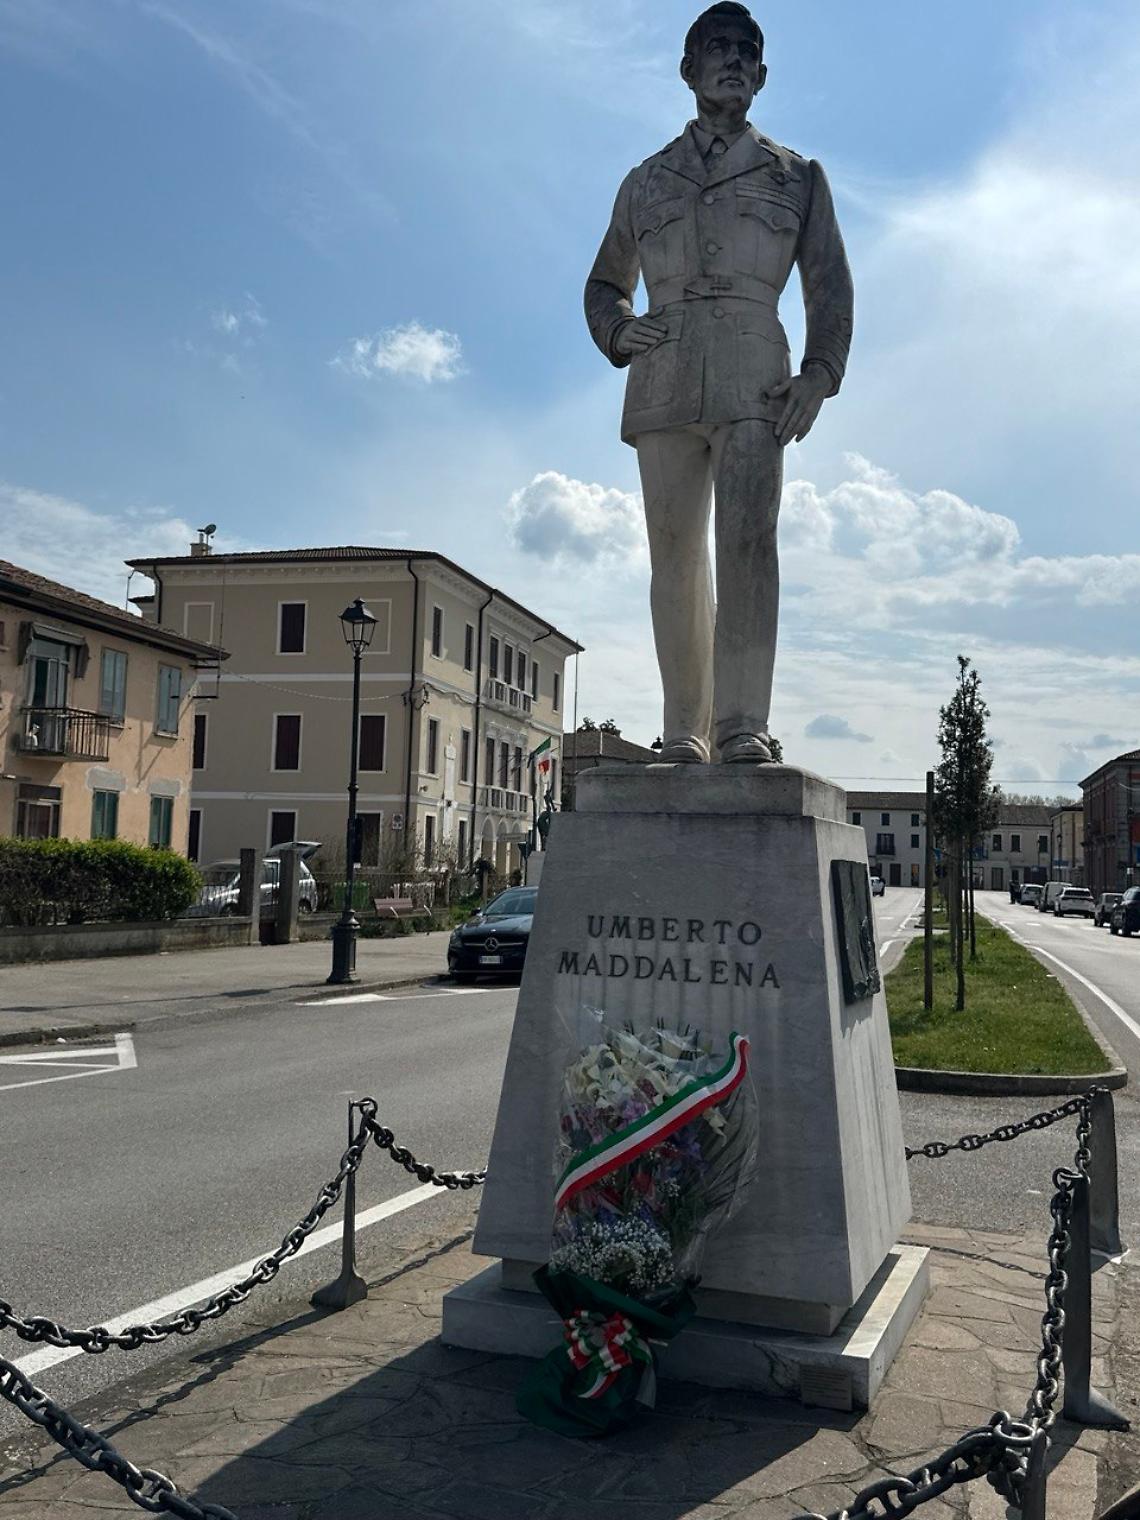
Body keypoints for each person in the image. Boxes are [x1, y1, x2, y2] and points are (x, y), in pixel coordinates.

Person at [585, 2, 853, 764]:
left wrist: (820, 374)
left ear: (761, 76)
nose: (731, 59)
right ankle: (684, 730)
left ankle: (741, 723)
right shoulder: (644, 180)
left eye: (745, 50)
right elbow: (605, 282)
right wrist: (614, 328)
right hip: (663, 372)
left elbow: (829, 288)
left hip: (753, 376)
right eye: (716, 47)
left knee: (746, 544)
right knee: (672, 554)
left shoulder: (797, 177)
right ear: (688, 69)